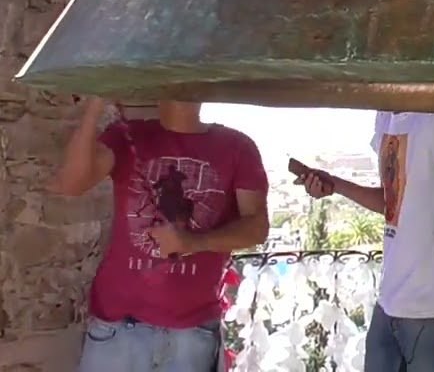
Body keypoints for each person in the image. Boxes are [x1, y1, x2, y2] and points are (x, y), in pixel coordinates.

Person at [48, 97, 270, 372]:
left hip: (191, 333)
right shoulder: (127, 135)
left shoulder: (237, 147)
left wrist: (194, 242)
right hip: (118, 328)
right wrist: (94, 107)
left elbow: (257, 227)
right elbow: (72, 183)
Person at [294, 112, 434, 372]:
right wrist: (335, 184)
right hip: (391, 298)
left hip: (433, 303)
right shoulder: (386, 117)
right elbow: (393, 201)